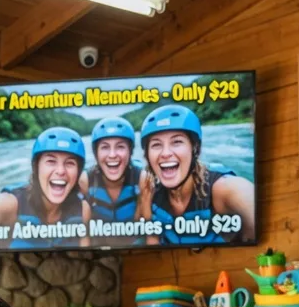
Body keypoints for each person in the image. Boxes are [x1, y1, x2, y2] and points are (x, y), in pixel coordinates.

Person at [135, 104, 255, 245]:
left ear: (195, 149)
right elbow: (150, 239)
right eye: (156, 145)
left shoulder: (225, 189)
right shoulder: (149, 187)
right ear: (147, 155)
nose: (165, 153)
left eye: (177, 142)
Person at [0, 127, 90, 250]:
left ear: (78, 173)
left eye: (70, 163)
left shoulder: (83, 210)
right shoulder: (6, 205)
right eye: (51, 161)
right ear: (36, 168)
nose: (61, 171)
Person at [80, 117, 143, 224]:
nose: (112, 155)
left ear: (130, 152)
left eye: (120, 147)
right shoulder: (85, 180)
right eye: (105, 147)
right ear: (96, 154)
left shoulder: (141, 177)